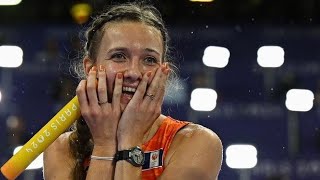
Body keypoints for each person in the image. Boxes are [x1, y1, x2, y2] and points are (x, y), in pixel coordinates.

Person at [43, 2, 223, 180]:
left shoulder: (195, 143)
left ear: (163, 72)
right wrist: (105, 145)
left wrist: (129, 140)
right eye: (119, 56)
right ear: (91, 69)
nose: (134, 73)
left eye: (149, 60)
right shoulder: (62, 148)